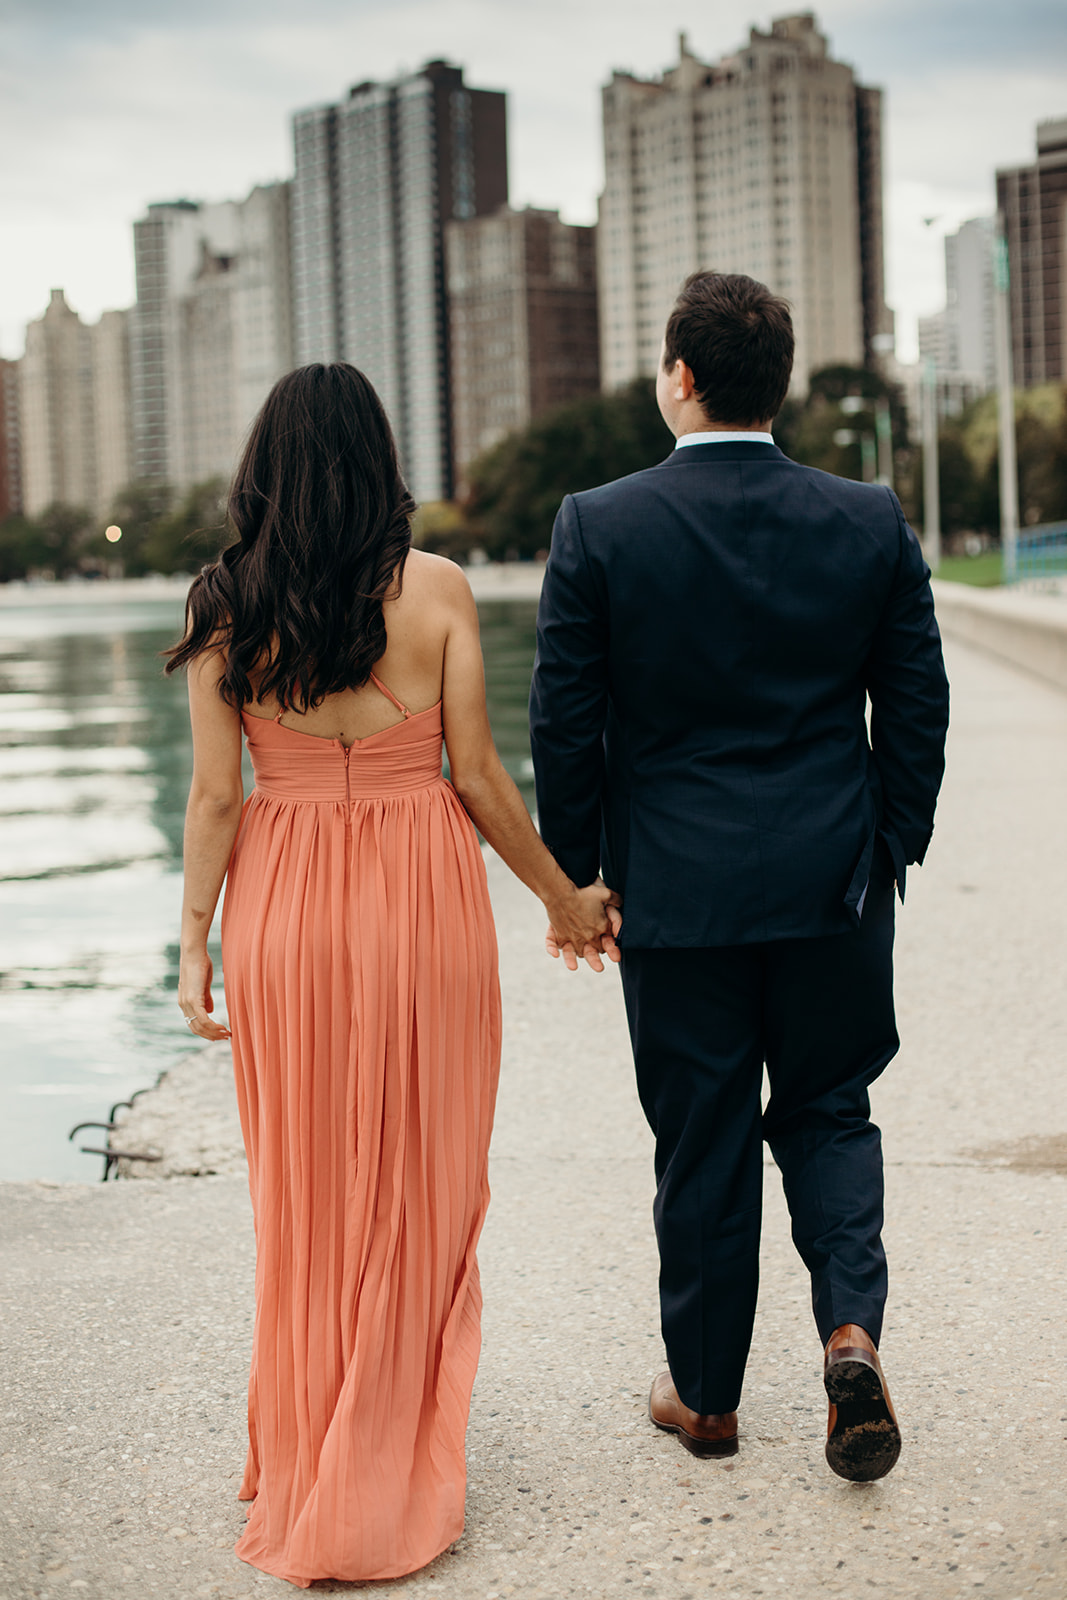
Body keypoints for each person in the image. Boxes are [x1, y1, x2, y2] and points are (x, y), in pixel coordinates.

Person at [165, 363, 616, 1587]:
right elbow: (476, 779)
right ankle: (383, 1447)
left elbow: (215, 797)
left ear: (265, 465)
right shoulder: (438, 590)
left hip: (286, 905)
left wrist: (195, 942)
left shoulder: (222, 604)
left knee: (306, 1188)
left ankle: (315, 1443)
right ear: (380, 462)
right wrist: (564, 898)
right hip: (419, 898)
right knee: (422, 1171)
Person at [530, 271, 950, 1483]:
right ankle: (850, 1335)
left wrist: (581, 877)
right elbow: (913, 703)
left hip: (676, 892)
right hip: (831, 878)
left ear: (678, 377)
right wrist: (886, 850)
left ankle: (706, 1399)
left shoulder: (598, 524)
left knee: (700, 1135)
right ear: (779, 384)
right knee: (826, 1108)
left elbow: (565, 719)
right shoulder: (864, 516)